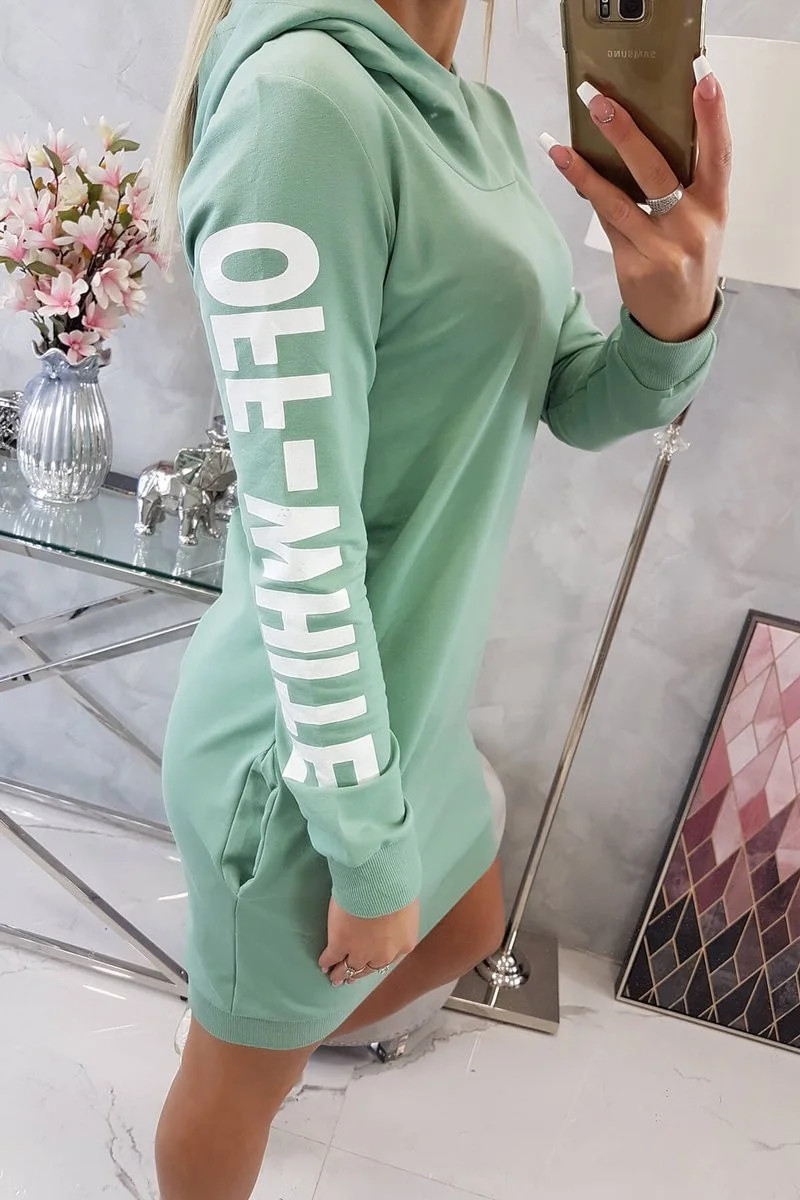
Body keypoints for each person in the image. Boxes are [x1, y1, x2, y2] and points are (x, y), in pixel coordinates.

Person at [150, 1, 730, 1196]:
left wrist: (670, 314)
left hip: (406, 707)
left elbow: (573, 395)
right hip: (303, 742)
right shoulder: (300, 106)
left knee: (465, 927)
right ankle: (244, 1058)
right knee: (230, 1090)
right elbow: (301, 536)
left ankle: (258, 1038)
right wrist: (361, 852)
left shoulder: (470, 114)